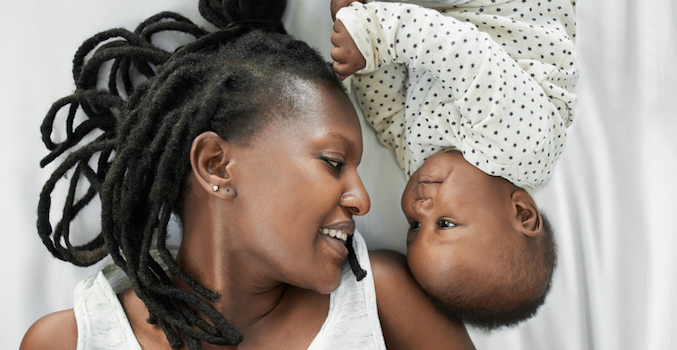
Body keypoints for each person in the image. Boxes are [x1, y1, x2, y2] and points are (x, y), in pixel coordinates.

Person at [20, 0, 476, 349]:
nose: (362, 199)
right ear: (216, 165)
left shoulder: (381, 298)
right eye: (334, 163)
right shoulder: (73, 340)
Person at [329, 0, 577, 330]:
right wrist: (373, 33)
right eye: (444, 224)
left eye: (415, 227)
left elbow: (388, 117)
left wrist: (366, 60)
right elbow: (465, 54)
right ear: (522, 213)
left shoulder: (426, 165)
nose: (420, 207)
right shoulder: (520, 149)